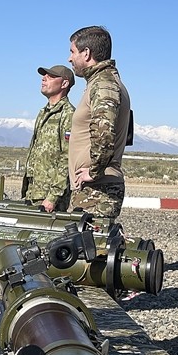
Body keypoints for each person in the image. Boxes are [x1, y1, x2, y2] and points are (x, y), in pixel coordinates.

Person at [67, 25, 131, 220]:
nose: (70, 58)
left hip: (97, 191)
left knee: (89, 249)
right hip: (92, 189)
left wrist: (94, 172)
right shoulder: (99, 83)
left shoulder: (104, 84)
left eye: (72, 52)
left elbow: (104, 132)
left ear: (86, 53)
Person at [20, 64, 75, 212]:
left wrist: (52, 197)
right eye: (44, 76)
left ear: (64, 83)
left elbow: (67, 158)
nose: (44, 79)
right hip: (33, 193)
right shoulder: (43, 112)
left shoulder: (68, 114)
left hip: (50, 199)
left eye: (51, 76)